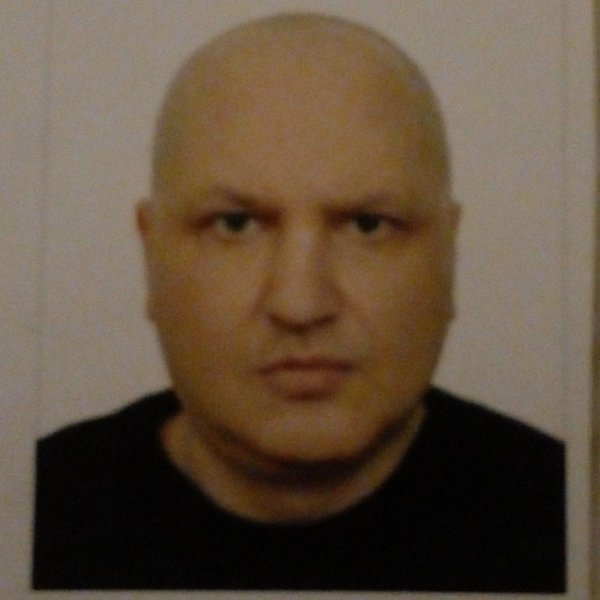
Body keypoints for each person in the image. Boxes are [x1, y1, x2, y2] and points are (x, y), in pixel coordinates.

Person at [33, 12, 565, 592]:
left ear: (448, 254)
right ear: (150, 253)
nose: (300, 304)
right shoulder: (30, 514)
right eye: (235, 225)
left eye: (367, 225)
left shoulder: (568, 518)